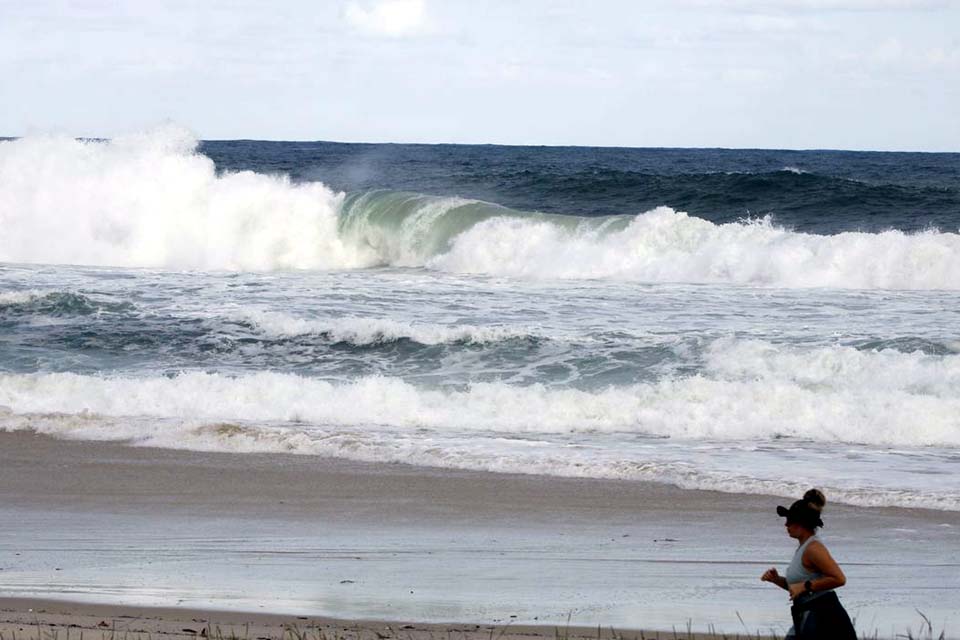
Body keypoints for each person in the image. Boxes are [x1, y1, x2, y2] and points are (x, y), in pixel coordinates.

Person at [760, 489, 856, 640]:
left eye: (790, 520)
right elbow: (800, 587)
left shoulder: (814, 548)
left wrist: (804, 586)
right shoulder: (804, 547)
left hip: (825, 618)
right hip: (807, 615)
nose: (786, 524)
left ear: (801, 523)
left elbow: (839, 579)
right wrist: (777, 580)